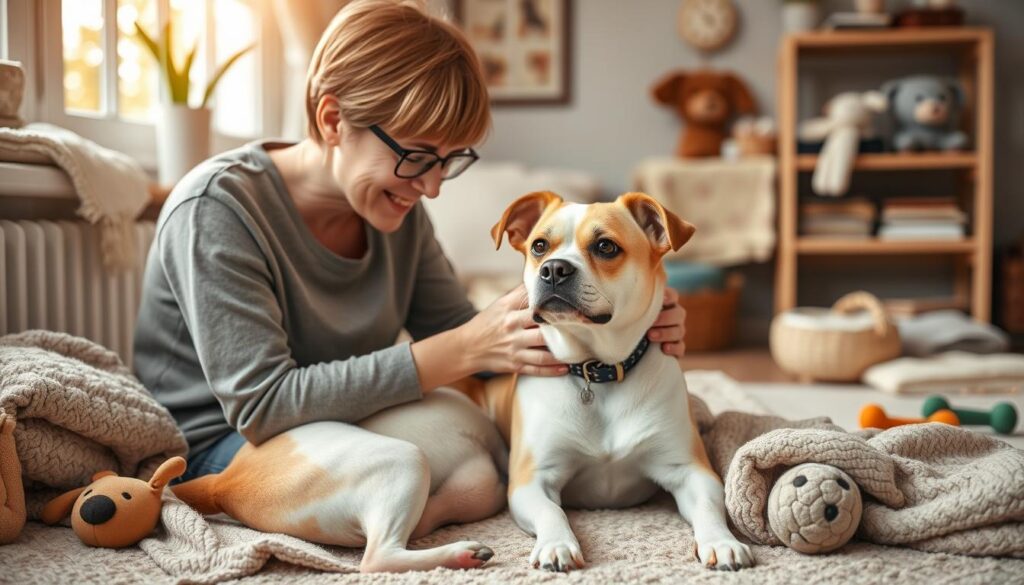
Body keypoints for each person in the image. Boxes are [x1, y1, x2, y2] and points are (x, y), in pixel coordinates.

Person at [133, 0, 686, 486]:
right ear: (332, 120)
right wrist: (462, 350)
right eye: (417, 156)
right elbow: (263, 406)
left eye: (451, 160)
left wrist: (635, 327)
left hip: (338, 422)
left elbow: (477, 344)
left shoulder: (398, 211)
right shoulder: (215, 209)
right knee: (462, 467)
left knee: (484, 465)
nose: (433, 186)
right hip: (215, 450)